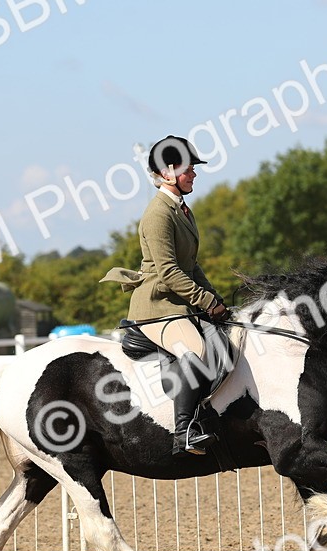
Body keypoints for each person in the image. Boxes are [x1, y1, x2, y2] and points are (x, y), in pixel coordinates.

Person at [101, 135, 228, 456]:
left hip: (178, 304)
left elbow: (191, 266)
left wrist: (216, 299)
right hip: (156, 307)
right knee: (197, 349)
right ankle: (184, 433)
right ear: (169, 172)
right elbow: (170, 272)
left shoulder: (182, 210)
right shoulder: (158, 214)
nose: (195, 174)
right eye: (189, 169)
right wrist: (205, 302)